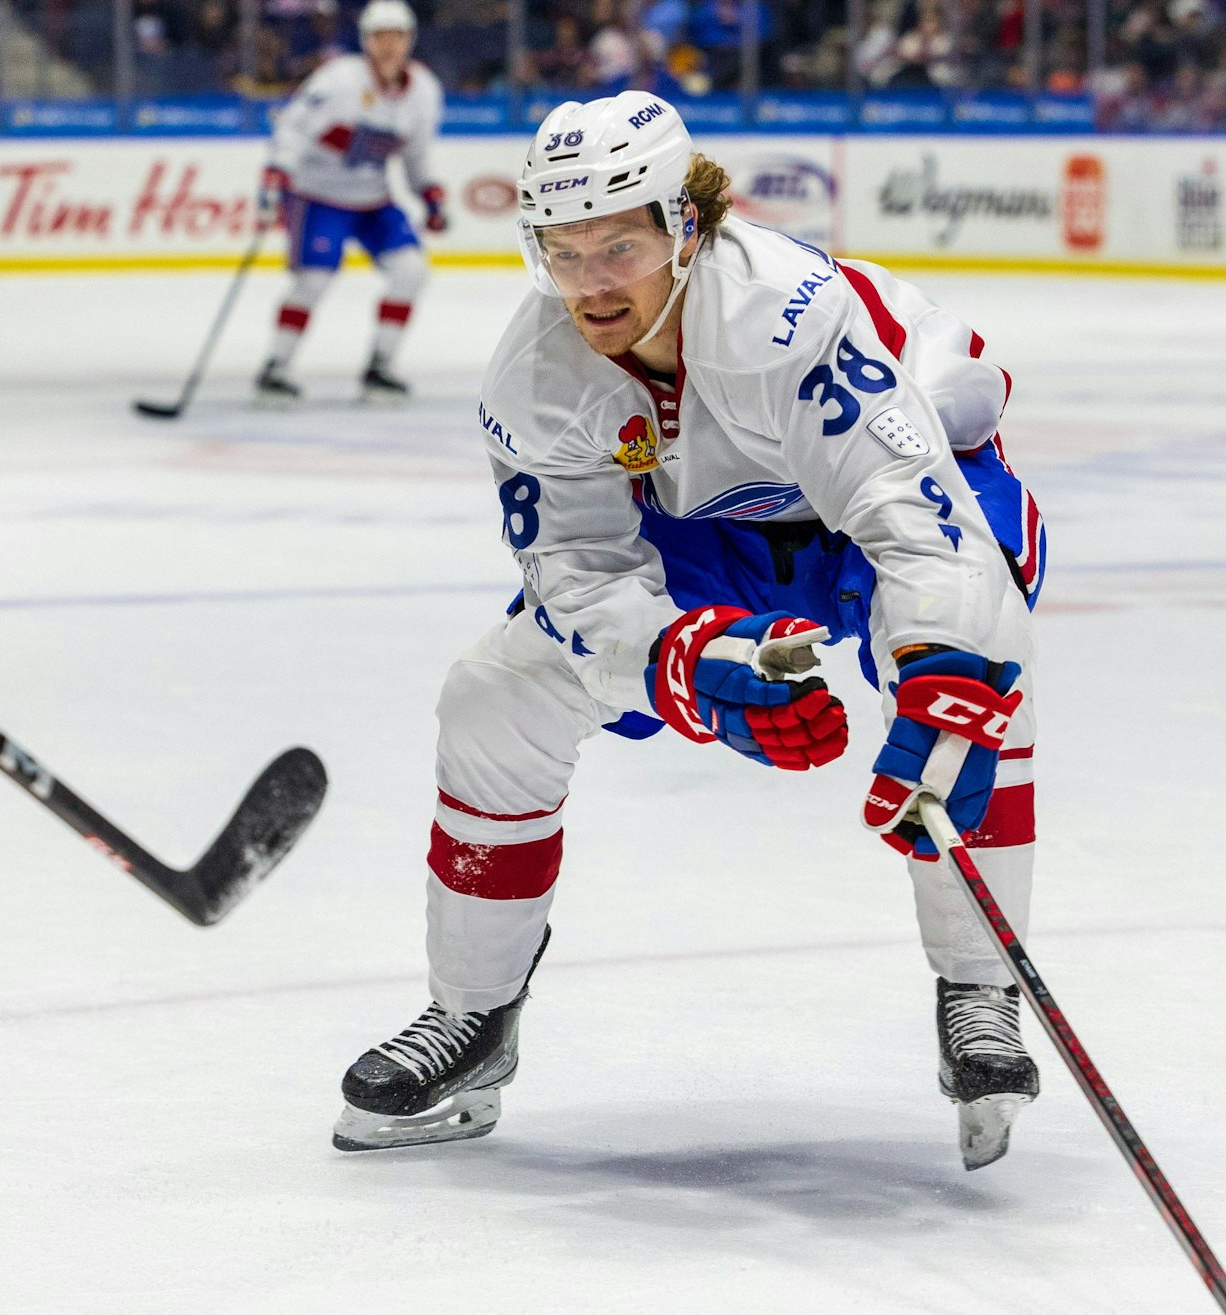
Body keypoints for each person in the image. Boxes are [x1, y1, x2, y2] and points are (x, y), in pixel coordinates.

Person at [331, 91, 1050, 1171]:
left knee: (975, 675)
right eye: (561, 251)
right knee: (493, 696)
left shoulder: (788, 317)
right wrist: (686, 661)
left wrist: (946, 675)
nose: (591, 282)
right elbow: (575, 576)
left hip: (897, 493)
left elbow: (917, 526)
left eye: (618, 244)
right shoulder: (534, 379)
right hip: (703, 528)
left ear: (687, 226)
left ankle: (980, 987)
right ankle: (473, 1018)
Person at [254, 0, 446, 406]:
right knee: (313, 280)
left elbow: (416, 155)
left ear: (409, 40)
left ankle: (380, 367)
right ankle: (276, 366)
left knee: (411, 271)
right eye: (380, 36)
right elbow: (293, 127)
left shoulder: (424, 92)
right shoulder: (338, 81)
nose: (389, 45)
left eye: (397, 36)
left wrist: (428, 192)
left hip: (373, 199)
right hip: (317, 195)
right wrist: (278, 169)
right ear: (366, 41)